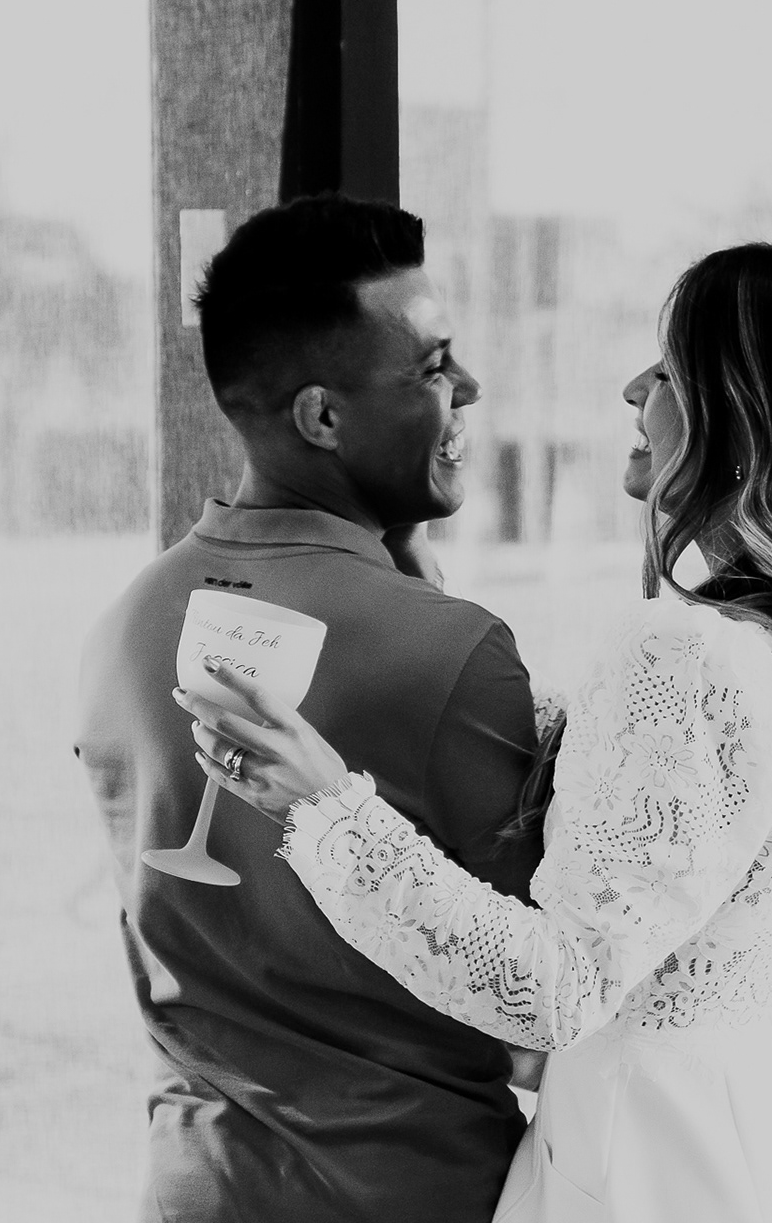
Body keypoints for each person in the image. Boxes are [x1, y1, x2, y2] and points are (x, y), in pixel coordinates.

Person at [178, 243, 772, 1222]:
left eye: (670, 370)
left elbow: (559, 990)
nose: (635, 389)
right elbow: (662, 816)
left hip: (651, 1170)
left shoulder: (687, 652)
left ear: (751, 413)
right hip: (766, 1143)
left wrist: (325, 812)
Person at [74, 193, 545, 1222]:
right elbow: (539, 1005)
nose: (467, 387)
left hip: (193, 1191)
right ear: (323, 418)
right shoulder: (452, 653)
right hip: (416, 1195)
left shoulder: (121, 630)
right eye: (433, 366)